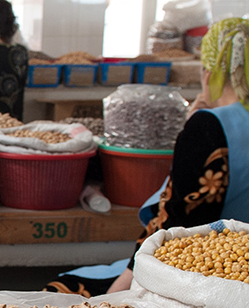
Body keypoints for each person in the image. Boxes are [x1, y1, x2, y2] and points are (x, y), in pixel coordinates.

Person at [104, 17, 249, 294]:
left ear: (209, 73)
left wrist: (119, 289)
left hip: (210, 278)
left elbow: (177, 227)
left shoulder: (209, 128)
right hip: (237, 269)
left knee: (64, 286)